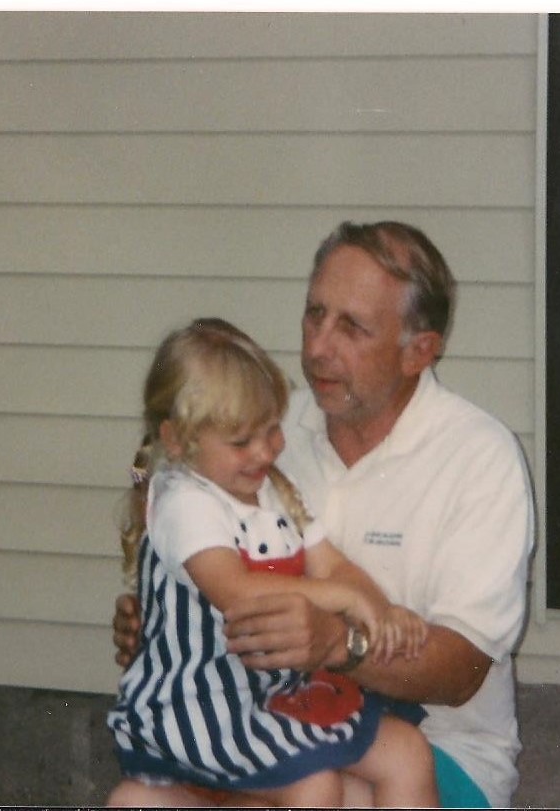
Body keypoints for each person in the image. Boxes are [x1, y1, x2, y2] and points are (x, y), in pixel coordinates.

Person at [113, 221, 535, 807]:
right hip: (271, 713)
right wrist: (168, 620)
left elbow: (461, 673)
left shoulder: (479, 457)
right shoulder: (265, 434)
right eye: (315, 315)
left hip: (438, 743)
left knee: (334, 794)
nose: (317, 348)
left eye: (351, 327)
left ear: (419, 351)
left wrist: (338, 645)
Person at [105, 317, 439, 808]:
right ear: (175, 440)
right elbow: (237, 593)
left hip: (270, 693)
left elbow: (332, 566)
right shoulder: (184, 501)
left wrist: (380, 611)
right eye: (242, 441)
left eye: (271, 430)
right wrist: (343, 600)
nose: (265, 451)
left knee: (406, 753)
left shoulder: (270, 489)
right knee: (316, 786)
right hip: (206, 710)